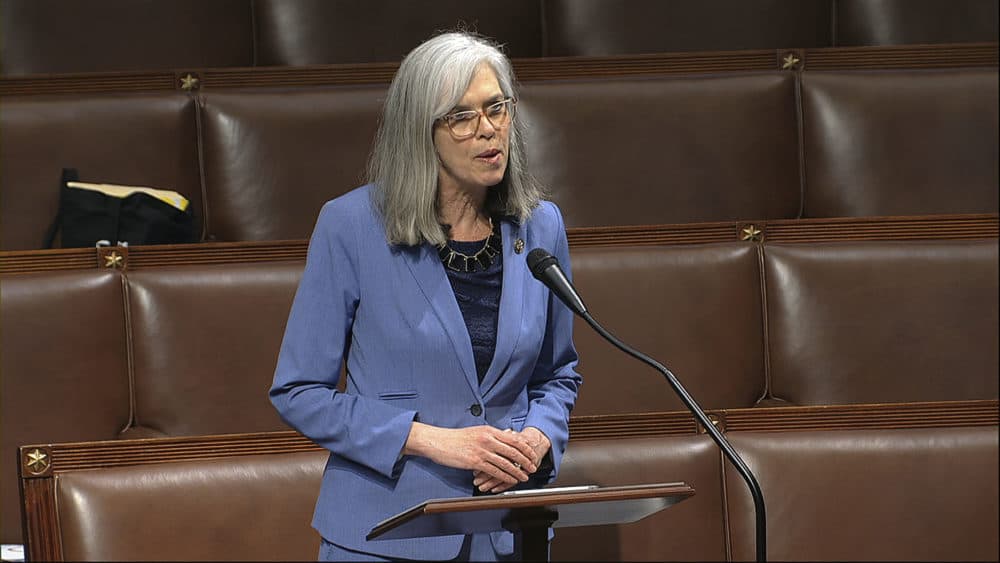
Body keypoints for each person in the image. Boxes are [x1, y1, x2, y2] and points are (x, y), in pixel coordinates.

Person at [269, 30, 582, 562]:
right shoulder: (351, 227)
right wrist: (432, 440)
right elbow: (299, 391)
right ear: (421, 132)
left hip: (509, 533)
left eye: (496, 109)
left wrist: (538, 437)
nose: (489, 131)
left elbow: (557, 375)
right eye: (461, 116)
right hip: (386, 533)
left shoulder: (540, 226)